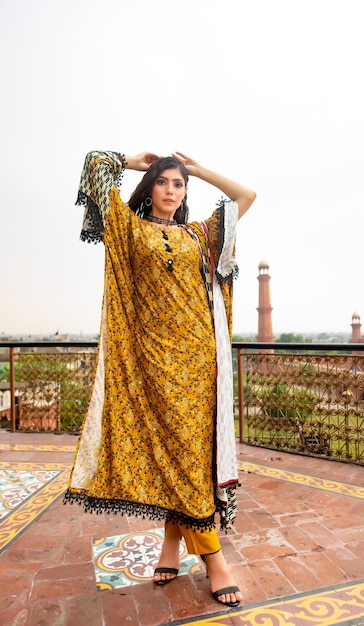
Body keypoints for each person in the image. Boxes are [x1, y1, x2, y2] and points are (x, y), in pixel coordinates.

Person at [64, 148, 256, 607]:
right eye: (164, 182)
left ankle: (180, 549)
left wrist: (199, 169)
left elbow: (246, 195)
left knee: (190, 457)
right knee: (177, 456)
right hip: (150, 364)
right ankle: (211, 560)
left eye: (179, 184)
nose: (172, 190)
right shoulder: (128, 230)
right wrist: (132, 161)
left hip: (198, 362)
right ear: (149, 187)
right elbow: (94, 164)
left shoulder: (198, 236)